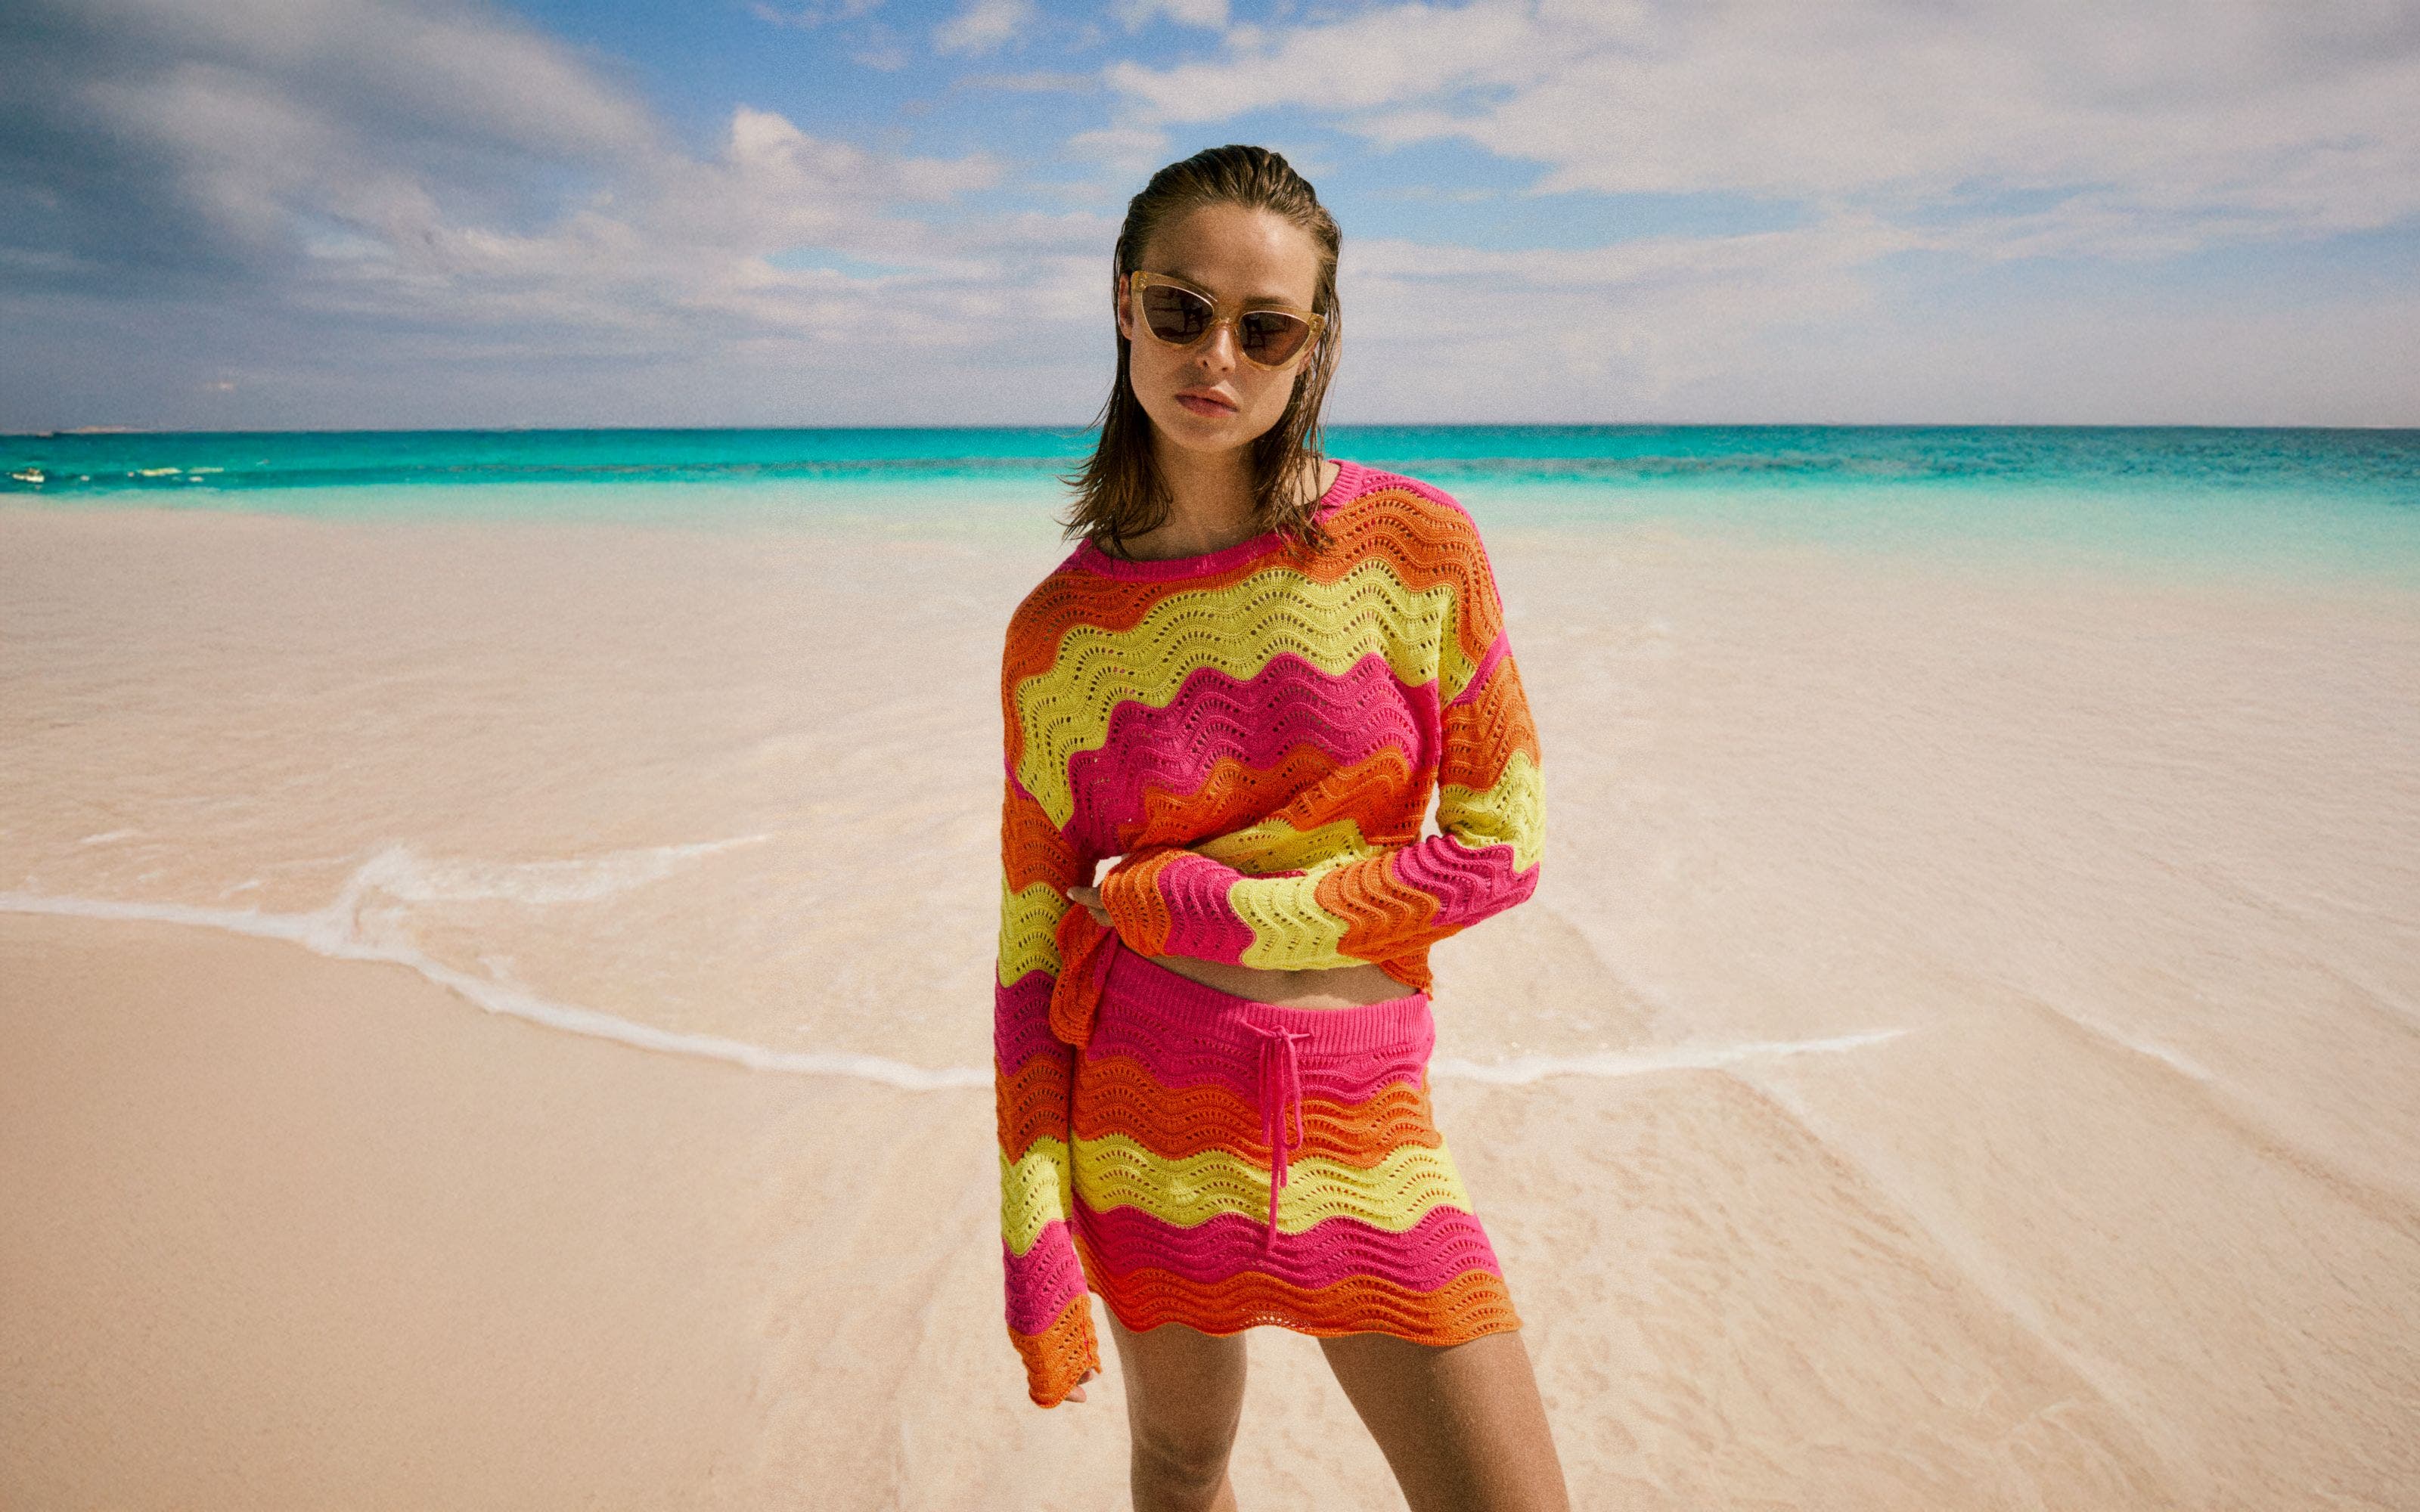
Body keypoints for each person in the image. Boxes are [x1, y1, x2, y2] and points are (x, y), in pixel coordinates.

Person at [992, 143, 1568, 1512]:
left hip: (1361, 1105)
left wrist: (1223, 911)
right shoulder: (1057, 637)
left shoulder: (1416, 549)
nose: (1220, 356)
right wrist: (1029, 1227)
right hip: (1137, 1108)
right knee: (1183, 1466)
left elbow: (1505, 846)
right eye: (1183, 311)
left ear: (1315, 343)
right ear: (1124, 304)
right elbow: (1029, 943)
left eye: (1268, 328)